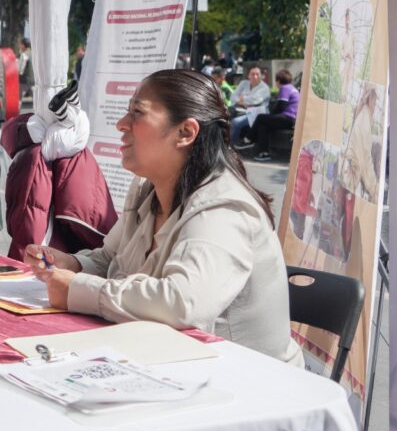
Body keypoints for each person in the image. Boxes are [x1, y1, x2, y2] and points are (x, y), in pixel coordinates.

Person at [23, 69, 302, 367]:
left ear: (186, 133)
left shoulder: (224, 208)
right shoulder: (148, 189)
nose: (121, 124)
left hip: (244, 381)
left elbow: (183, 302)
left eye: (137, 113)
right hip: (173, 365)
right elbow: (110, 259)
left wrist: (79, 290)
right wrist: (72, 264)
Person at [249, 69, 300, 162]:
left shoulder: (285, 88)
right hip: (292, 119)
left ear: (278, 81)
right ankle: (264, 153)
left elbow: (281, 106)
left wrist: (270, 115)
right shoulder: (292, 88)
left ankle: (249, 139)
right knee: (263, 126)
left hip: (288, 118)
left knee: (260, 117)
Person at [340, 85, 380, 202]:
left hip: (349, 172)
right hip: (352, 175)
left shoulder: (361, 115)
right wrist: (374, 189)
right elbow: (365, 158)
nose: (375, 108)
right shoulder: (364, 120)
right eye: (374, 104)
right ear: (370, 101)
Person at [229, 65, 270, 145]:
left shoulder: (264, 88)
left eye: (257, 74)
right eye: (252, 74)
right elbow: (233, 97)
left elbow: (255, 101)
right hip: (241, 110)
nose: (255, 76)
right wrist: (244, 102)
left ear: (261, 76)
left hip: (256, 114)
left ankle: (231, 145)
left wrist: (242, 99)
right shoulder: (244, 83)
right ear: (248, 75)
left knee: (235, 122)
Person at [18, 37, 34, 102]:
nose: (19, 46)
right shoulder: (34, 53)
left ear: (23, 45)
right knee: (36, 99)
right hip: (34, 80)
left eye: (20, 44)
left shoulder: (24, 54)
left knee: (18, 100)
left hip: (24, 81)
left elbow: (21, 70)